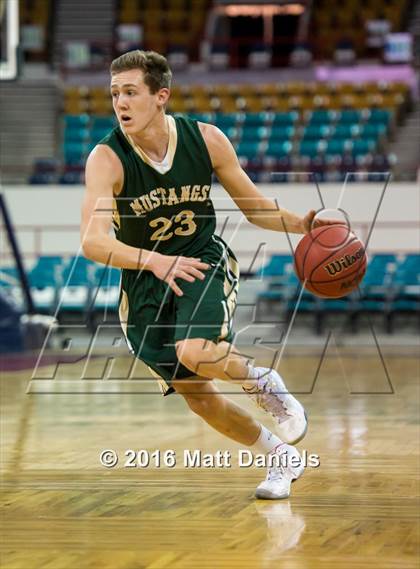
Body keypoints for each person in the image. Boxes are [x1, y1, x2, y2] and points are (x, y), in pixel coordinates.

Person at [81, 50, 330, 499]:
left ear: (162, 96)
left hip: (200, 261)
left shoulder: (206, 140)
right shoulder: (107, 159)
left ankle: (264, 384)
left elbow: (253, 207)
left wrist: (301, 224)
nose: (120, 102)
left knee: (197, 351)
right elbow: (93, 242)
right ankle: (281, 457)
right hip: (144, 282)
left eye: (131, 92)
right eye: (115, 93)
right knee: (199, 397)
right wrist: (153, 261)